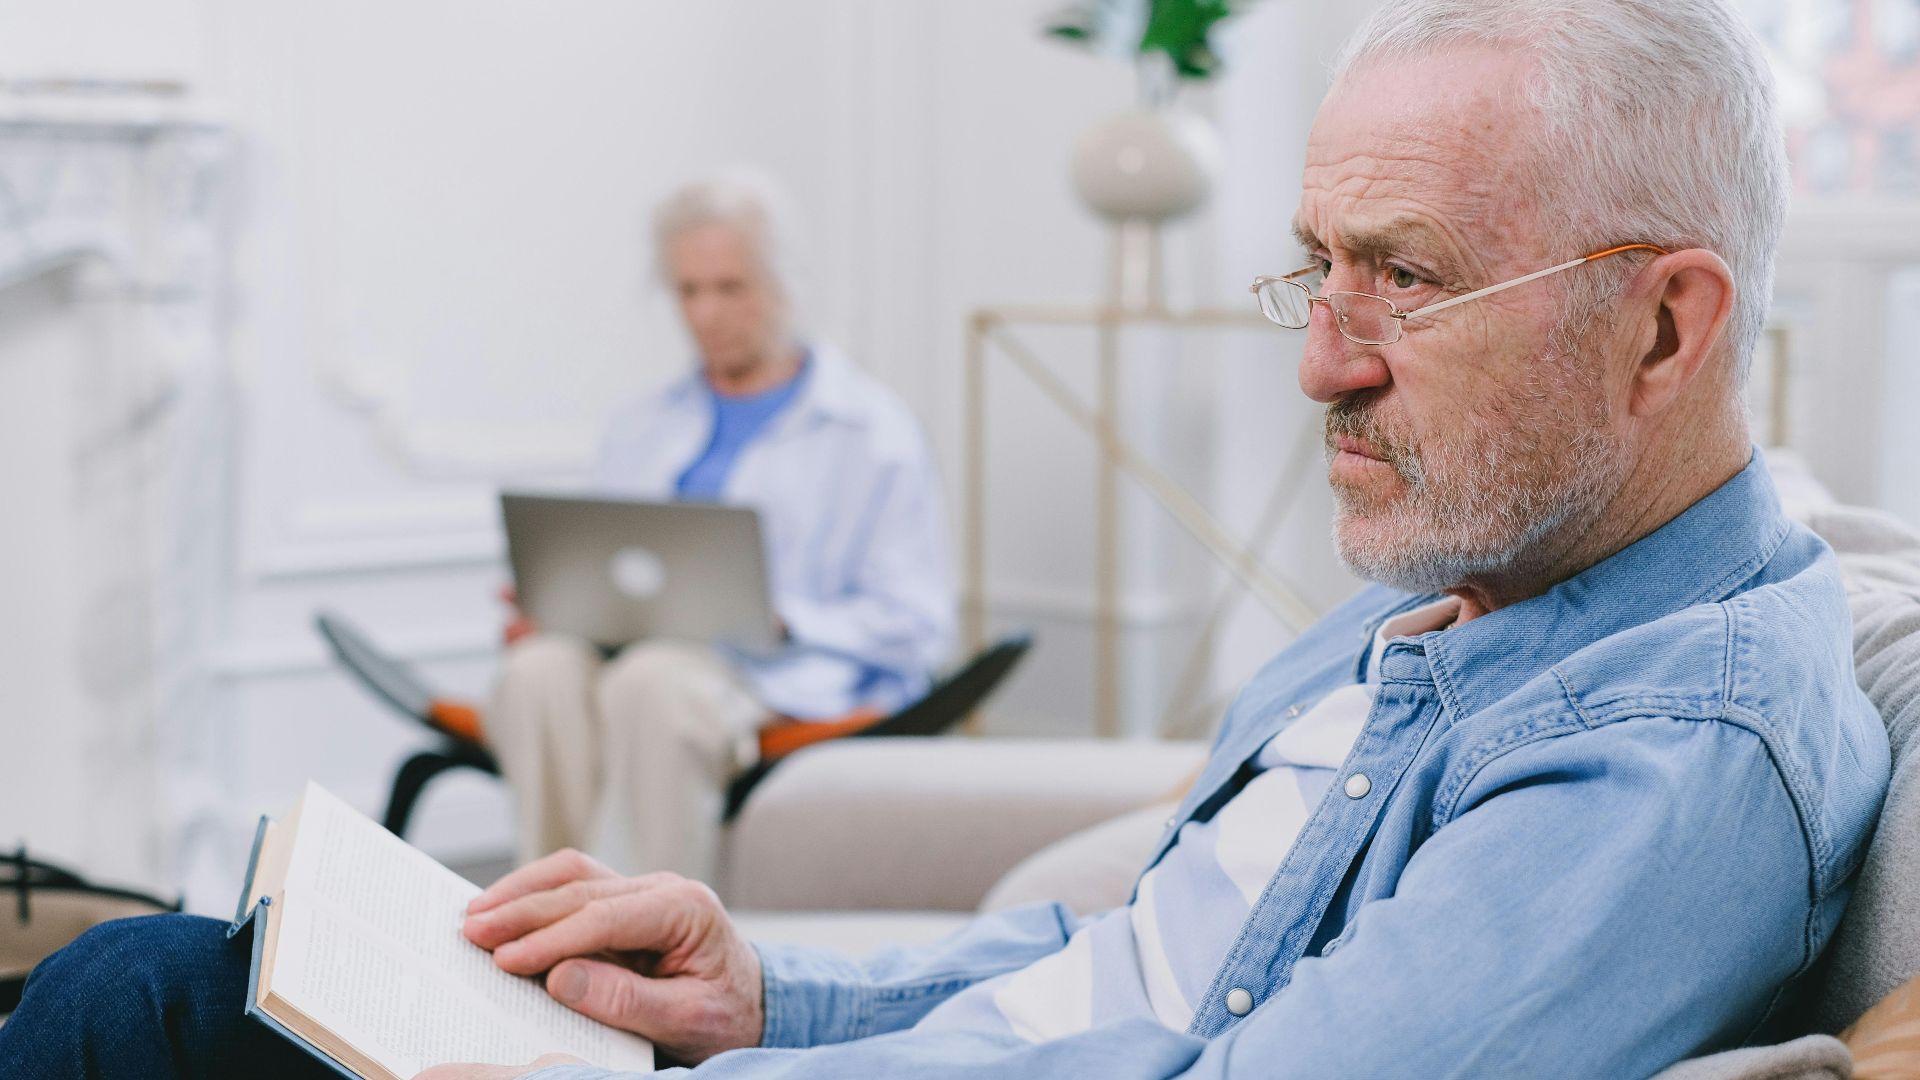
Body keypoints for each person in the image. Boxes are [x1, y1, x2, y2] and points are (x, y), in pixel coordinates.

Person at [0, 0, 1892, 1076]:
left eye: (1405, 277)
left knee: (122, 1006)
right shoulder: (1459, 594)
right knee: (172, 974)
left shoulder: (1667, 750)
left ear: (1666, 324)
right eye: (1315, 267)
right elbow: (1142, 961)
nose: (1320, 363)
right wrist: (759, 990)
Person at [489, 174, 954, 882]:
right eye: (688, 290)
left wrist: (785, 620)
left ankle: (645, 942)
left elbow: (918, 625)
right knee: (536, 673)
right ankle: (548, 910)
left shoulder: (871, 434)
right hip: (632, 655)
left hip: (777, 674)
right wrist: (555, 608)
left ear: (783, 285)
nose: (706, 314)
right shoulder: (643, 424)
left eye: (730, 288)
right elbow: (615, 565)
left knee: (652, 684)